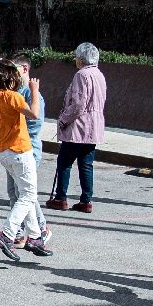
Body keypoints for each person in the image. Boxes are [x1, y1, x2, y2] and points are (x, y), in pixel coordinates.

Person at [0, 58, 49, 262]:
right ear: (9, 79)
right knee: (27, 196)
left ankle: (35, 237)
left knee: (27, 195)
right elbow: (34, 114)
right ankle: (7, 234)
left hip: (4, 153)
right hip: (21, 151)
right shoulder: (13, 97)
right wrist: (34, 90)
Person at [48, 41, 105, 213]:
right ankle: (86, 200)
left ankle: (60, 198)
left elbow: (79, 104)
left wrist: (63, 120)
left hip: (79, 126)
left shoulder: (82, 75)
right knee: (86, 164)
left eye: (76, 57)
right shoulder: (99, 74)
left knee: (64, 162)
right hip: (94, 127)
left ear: (81, 59)